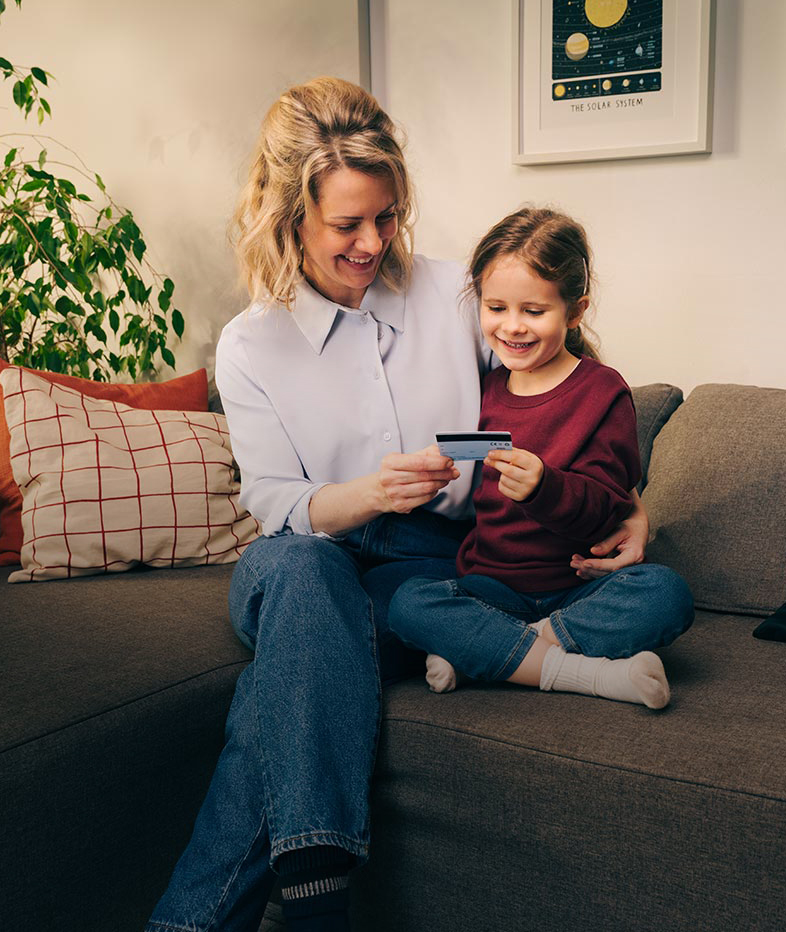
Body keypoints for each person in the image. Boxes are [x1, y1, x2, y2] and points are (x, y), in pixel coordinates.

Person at [145, 80, 649, 932]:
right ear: (288, 216)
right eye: (347, 224)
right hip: (302, 559)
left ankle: (235, 913)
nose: (373, 242)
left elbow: (556, 386)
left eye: (385, 215)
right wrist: (368, 493)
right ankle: (317, 895)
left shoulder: (454, 292)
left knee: (284, 688)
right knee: (306, 573)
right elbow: (271, 501)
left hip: (426, 569)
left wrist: (625, 503)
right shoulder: (250, 343)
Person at [389, 208, 694, 710]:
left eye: (534, 311)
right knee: (408, 602)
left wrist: (545, 489)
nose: (512, 327)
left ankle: (493, 652)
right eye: (496, 308)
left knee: (665, 593)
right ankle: (577, 670)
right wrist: (432, 460)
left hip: (574, 589)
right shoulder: (485, 388)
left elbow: (605, 505)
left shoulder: (601, 391)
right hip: (490, 587)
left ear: (575, 312)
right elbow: (471, 445)